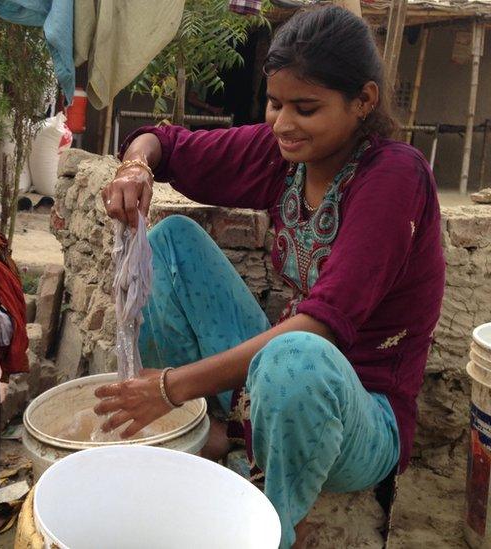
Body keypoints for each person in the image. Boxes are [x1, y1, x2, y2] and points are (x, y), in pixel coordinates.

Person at [94, 6, 445, 548]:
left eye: (306, 108)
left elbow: (321, 329)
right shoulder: (283, 154)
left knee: (296, 356)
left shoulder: (394, 177)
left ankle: (269, 523)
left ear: (364, 102)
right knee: (170, 245)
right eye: (276, 104)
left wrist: (168, 387)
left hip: (361, 416)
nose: (283, 124)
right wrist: (135, 166)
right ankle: (212, 435)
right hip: (275, 381)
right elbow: (165, 143)